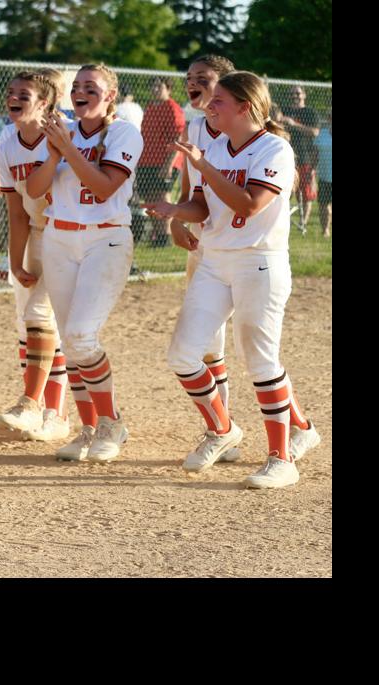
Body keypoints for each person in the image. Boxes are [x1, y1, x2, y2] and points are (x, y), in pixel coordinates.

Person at [145, 72, 320, 489]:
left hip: (258, 263)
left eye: (219, 100)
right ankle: (222, 430)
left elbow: (249, 204)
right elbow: (203, 207)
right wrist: (174, 211)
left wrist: (203, 165)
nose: (210, 106)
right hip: (215, 261)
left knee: (260, 360)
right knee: (183, 355)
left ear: (245, 106)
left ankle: (282, 459)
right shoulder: (215, 147)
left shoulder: (274, 148)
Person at [22, 63, 142, 463]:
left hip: (105, 237)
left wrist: (67, 149)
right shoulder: (63, 130)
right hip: (59, 237)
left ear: (110, 96)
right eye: (76, 86)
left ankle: (111, 422)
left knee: (81, 335)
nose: (81, 92)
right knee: (71, 344)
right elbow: (34, 190)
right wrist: (54, 152)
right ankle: (88, 428)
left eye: (91, 87)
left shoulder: (123, 132)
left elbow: (104, 186)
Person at [0, 68, 72, 444]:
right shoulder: (8, 140)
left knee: (42, 318)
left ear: (45, 103)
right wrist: (15, 261)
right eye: (11, 92)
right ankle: (47, 411)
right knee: (31, 326)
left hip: (69, 235)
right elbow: (16, 210)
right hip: (37, 234)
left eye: (24, 94)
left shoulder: (65, 133)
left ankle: (38, 405)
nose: (14, 98)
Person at [169, 54, 237, 445]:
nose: (192, 82)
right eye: (189, 77)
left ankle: (296, 427)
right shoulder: (195, 126)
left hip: (239, 246)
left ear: (225, 86)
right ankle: (221, 428)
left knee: (256, 347)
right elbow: (190, 184)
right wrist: (177, 218)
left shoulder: (243, 129)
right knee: (210, 339)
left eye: (203, 77)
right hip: (203, 240)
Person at [132, 76, 184, 248]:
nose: (155, 90)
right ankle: (157, 235)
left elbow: (178, 137)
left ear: (168, 89)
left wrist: (168, 165)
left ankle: (166, 236)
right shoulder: (150, 107)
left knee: (162, 197)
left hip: (164, 161)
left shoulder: (172, 108)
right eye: (153, 87)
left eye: (159, 87)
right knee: (149, 199)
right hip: (146, 161)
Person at [278, 86, 320, 234]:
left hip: (304, 157)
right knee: (284, 191)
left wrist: (294, 124)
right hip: (284, 157)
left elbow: (315, 132)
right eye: (292, 93)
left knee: (305, 193)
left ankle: (303, 224)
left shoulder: (310, 112)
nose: (295, 96)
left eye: (298, 93)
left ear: (304, 95)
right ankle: (283, 220)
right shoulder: (284, 110)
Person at [315, 119, 331, 237]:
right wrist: (313, 169)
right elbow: (315, 152)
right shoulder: (323, 133)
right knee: (323, 204)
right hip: (324, 176)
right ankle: (325, 230)